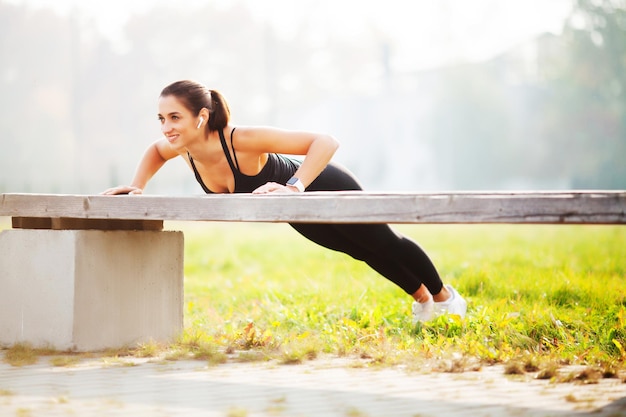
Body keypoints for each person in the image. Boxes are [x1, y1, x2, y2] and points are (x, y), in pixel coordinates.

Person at [102, 79, 467, 323]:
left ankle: (447, 299)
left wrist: (294, 188)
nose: (166, 127)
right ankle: (424, 302)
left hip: (322, 183)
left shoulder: (239, 138)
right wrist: (137, 186)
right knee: (361, 251)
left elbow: (325, 142)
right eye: (162, 118)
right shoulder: (182, 148)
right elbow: (155, 151)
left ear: (202, 117)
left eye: (175, 117)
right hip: (293, 207)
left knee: (382, 241)